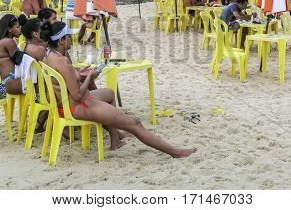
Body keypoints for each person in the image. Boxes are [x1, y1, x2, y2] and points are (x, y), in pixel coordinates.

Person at [41, 21, 196, 157]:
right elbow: (77, 95)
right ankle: (176, 152)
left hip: (65, 104)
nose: (71, 39)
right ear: (61, 41)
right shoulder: (63, 62)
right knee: (135, 123)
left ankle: (115, 138)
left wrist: (79, 74)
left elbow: (64, 80)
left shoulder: (49, 56)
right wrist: (90, 77)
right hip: (76, 106)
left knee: (109, 93)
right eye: (68, 37)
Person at [0, 14, 23, 94]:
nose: (20, 29)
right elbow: (19, 60)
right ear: (9, 29)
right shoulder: (9, 42)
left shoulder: (4, 41)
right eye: (18, 27)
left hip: (7, 81)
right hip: (12, 83)